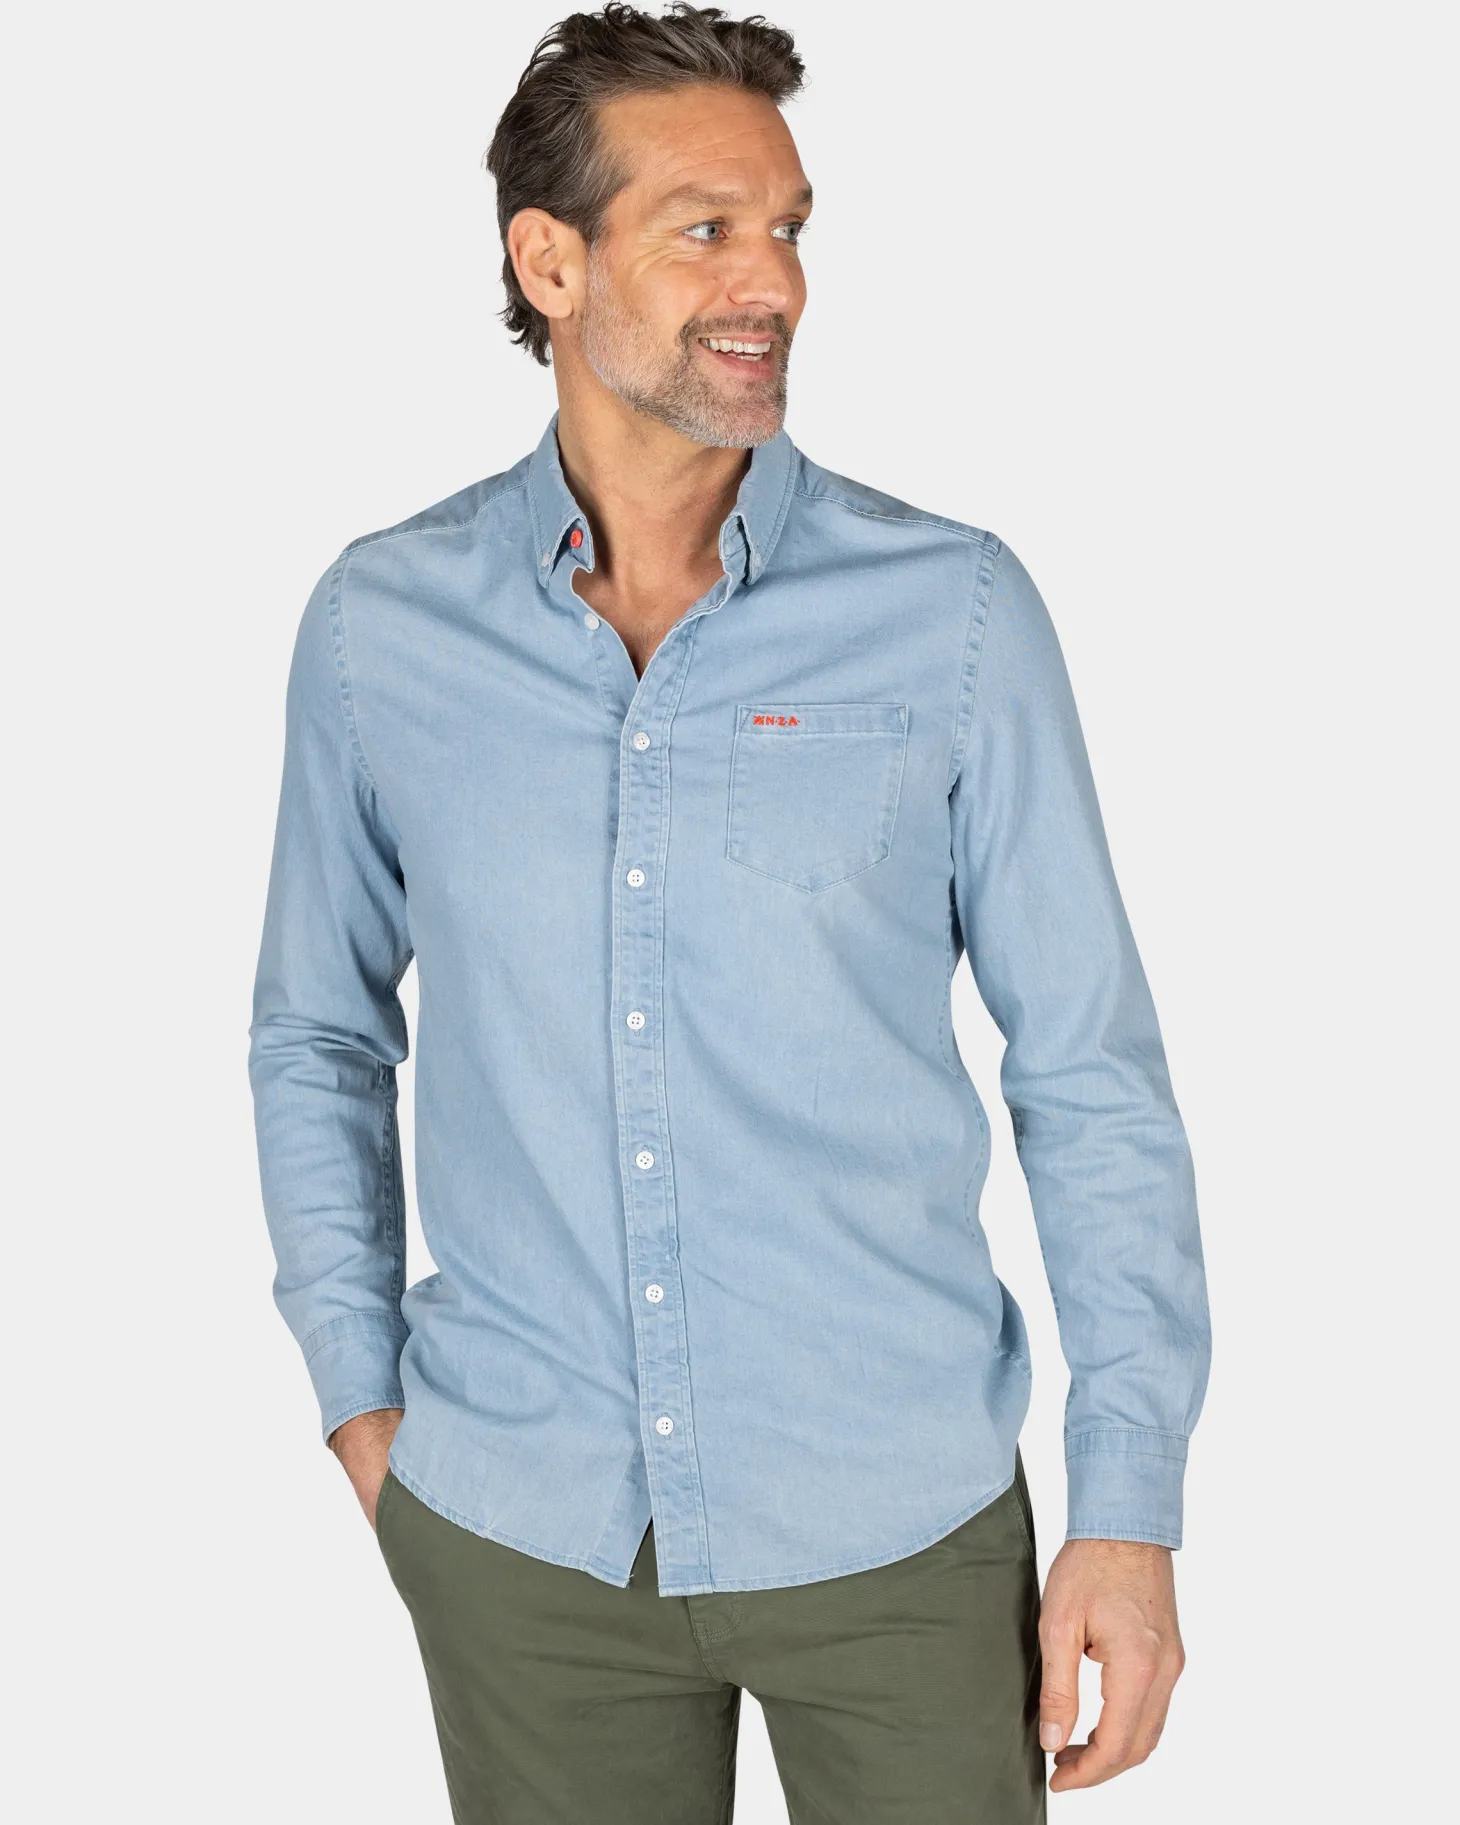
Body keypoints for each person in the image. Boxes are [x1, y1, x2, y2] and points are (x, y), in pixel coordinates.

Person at [247, 5, 1211, 1819]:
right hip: (524, 1533)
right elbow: (316, 1033)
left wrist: (1129, 1508)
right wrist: (363, 1403)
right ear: (550, 262)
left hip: (901, 1528)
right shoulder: (382, 628)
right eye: (706, 229)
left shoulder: (954, 613)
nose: (772, 282)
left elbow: (1090, 1076)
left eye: (788, 227)